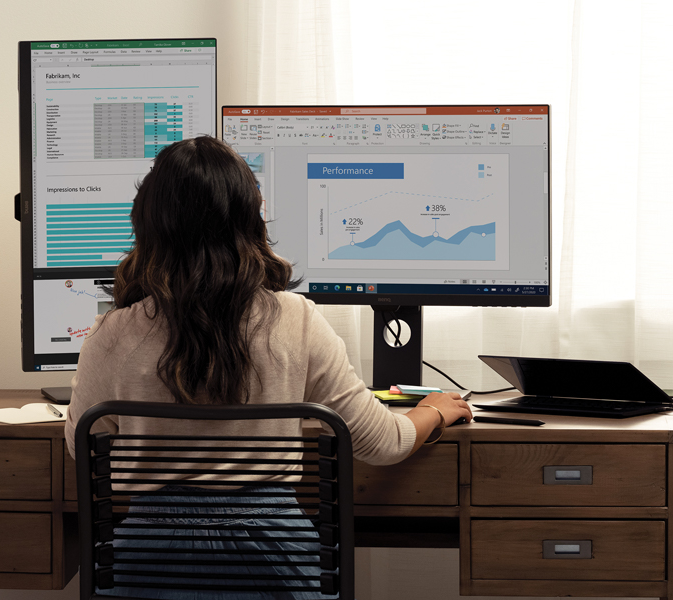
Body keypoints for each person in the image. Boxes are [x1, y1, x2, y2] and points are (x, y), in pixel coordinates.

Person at [65, 136, 473, 599]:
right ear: (250, 220)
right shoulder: (295, 320)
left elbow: (84, 447)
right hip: (272, 569)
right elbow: (382, 443)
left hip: (150, 572)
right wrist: (437, 409)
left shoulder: (111, 333)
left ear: (148, 224)